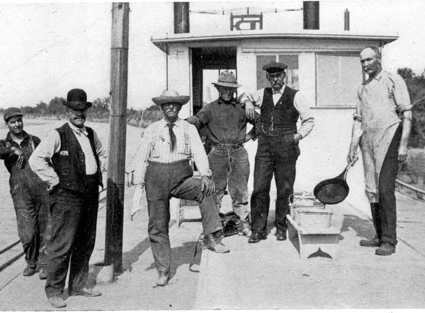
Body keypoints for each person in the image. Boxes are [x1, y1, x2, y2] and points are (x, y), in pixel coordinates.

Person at [131, 89, 230, 287]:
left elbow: (199, 152)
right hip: (156, 179)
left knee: (207, 190)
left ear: (180, 107)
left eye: (175, 104)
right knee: (158, 225)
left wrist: (204, 174)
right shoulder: (152, 129)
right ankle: (163, 270)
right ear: (161, 107)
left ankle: (211, 238)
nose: (171, 107)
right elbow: (141, 158)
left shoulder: (188, 128)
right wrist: (138, 189)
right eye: (167, 104)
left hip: (180, 178)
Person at [29, 88, 107, 308]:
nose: (78, 114)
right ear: (67, 111)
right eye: (74, 110)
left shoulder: (91, 133)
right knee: (62, 245)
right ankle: (54, 290)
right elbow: (36, 160)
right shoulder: (58, 134)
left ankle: (78, 285)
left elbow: (102, 153)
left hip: (90, 194)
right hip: (66, 197)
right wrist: (54, 180)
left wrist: (101, 169)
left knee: (85, 242)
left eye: (82, 110)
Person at [347, 46, 413, 256]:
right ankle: (379, 235)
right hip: (367, 143)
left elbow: (407, 114)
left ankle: (389, 240)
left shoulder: (393, 80)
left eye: (369, 60)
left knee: (385, 190)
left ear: (379, 58)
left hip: (389, 139)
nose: (365, 65)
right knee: (372, 189)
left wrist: (403, 145)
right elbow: (358, 121)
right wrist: (352, 147)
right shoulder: (362, 88)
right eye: (362, 61)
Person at [242, 61, 314, 243]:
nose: (275, 80)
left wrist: (296, 137)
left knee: (285, 188)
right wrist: (249, 103)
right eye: (272, 76)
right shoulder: (261, 94)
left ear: (284, 76)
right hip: (264, 148)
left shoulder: (296, 96)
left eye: (278, 76)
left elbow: (309, 121)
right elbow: (243, 96)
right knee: (259, 188)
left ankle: (281, 227)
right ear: (268, 78)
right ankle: (258, 229)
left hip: (286, 148)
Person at [186, 71, 253, 236]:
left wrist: (251, 136)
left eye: (230, 89)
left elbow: (260, 122)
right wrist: (183, 123)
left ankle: (242, 223)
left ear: (235, 90)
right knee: (214, 190)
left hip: (238, 152)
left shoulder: (242, 108)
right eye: (224, 88)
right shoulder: (209, 108)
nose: (227, 92)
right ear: (218, 89)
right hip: (217, 153)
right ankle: (213, 227)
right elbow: (197, 120)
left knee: (240, 189)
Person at [0, 108, 49, 279]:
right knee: (27, 232)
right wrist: (12, 150)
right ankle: (31, 262)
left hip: (41, 189)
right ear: (7, 124)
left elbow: (48, 159)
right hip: (20, 192)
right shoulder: (3, 143)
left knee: (45, 228)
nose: (17, 124)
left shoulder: (34, 140)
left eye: (19, 120)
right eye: (12, 122)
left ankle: (44, 264)